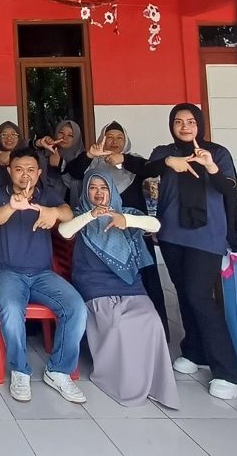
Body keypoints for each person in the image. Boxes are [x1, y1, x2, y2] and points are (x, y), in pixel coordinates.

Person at [146, 103, 237, 400]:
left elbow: (228, 188)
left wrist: (210, 167)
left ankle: (228, 372)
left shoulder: (217, 152)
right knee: (184, 292)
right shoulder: (164, 151)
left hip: (206, 235)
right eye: (178, 121)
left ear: (199, 123)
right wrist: (169, 162)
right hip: (172, 234)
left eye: (190, 121)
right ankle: (195, 351)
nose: (185, 126)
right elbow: (146, 170)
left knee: (199, 295)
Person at [58, 170, 179, 409]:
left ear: (112, 190)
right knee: (118, 325)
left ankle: (153, 383)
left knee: (151, 321)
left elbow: (155, 224)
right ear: (86, 191)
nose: (99, 193)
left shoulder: (126, 212)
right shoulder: (80, 214)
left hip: (129, 283)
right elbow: (65, 231)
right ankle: (118, 380)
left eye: (104, 188)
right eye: (93, 188)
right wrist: (91, 215)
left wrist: (126, 220)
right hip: (94, 283)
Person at [0, 148, 87, 404]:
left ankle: (58, 371)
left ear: (39, 172)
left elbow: (68, 213)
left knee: (76, 307)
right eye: (19, 169)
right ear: (9, 171)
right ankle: (20, 370)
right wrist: (12, 206)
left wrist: (54, 213)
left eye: (31, 170)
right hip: (5, 272)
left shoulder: (46, 195)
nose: (25, 175)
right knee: (11, 309)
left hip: (42, 274)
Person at [62, 121, 169, 340]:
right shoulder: (93, 165)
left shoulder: (134, 163)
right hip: (95, 231)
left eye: (119, 138)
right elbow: (72, 171)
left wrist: (124, 160)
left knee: (147, 281)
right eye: (109, 137)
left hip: (133, 231)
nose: (114, 141)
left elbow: (151, 169)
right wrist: (90, 155)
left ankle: (157, 335)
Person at [33, 120, 85, 206]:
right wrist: (38, 144)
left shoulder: (84, 158)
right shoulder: (44, 154)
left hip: (73, 207)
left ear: (76, 139)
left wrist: (61, 164)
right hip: (43, 206)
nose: (64, 137)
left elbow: (80, 186)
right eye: (61, 133)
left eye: (70, 135)